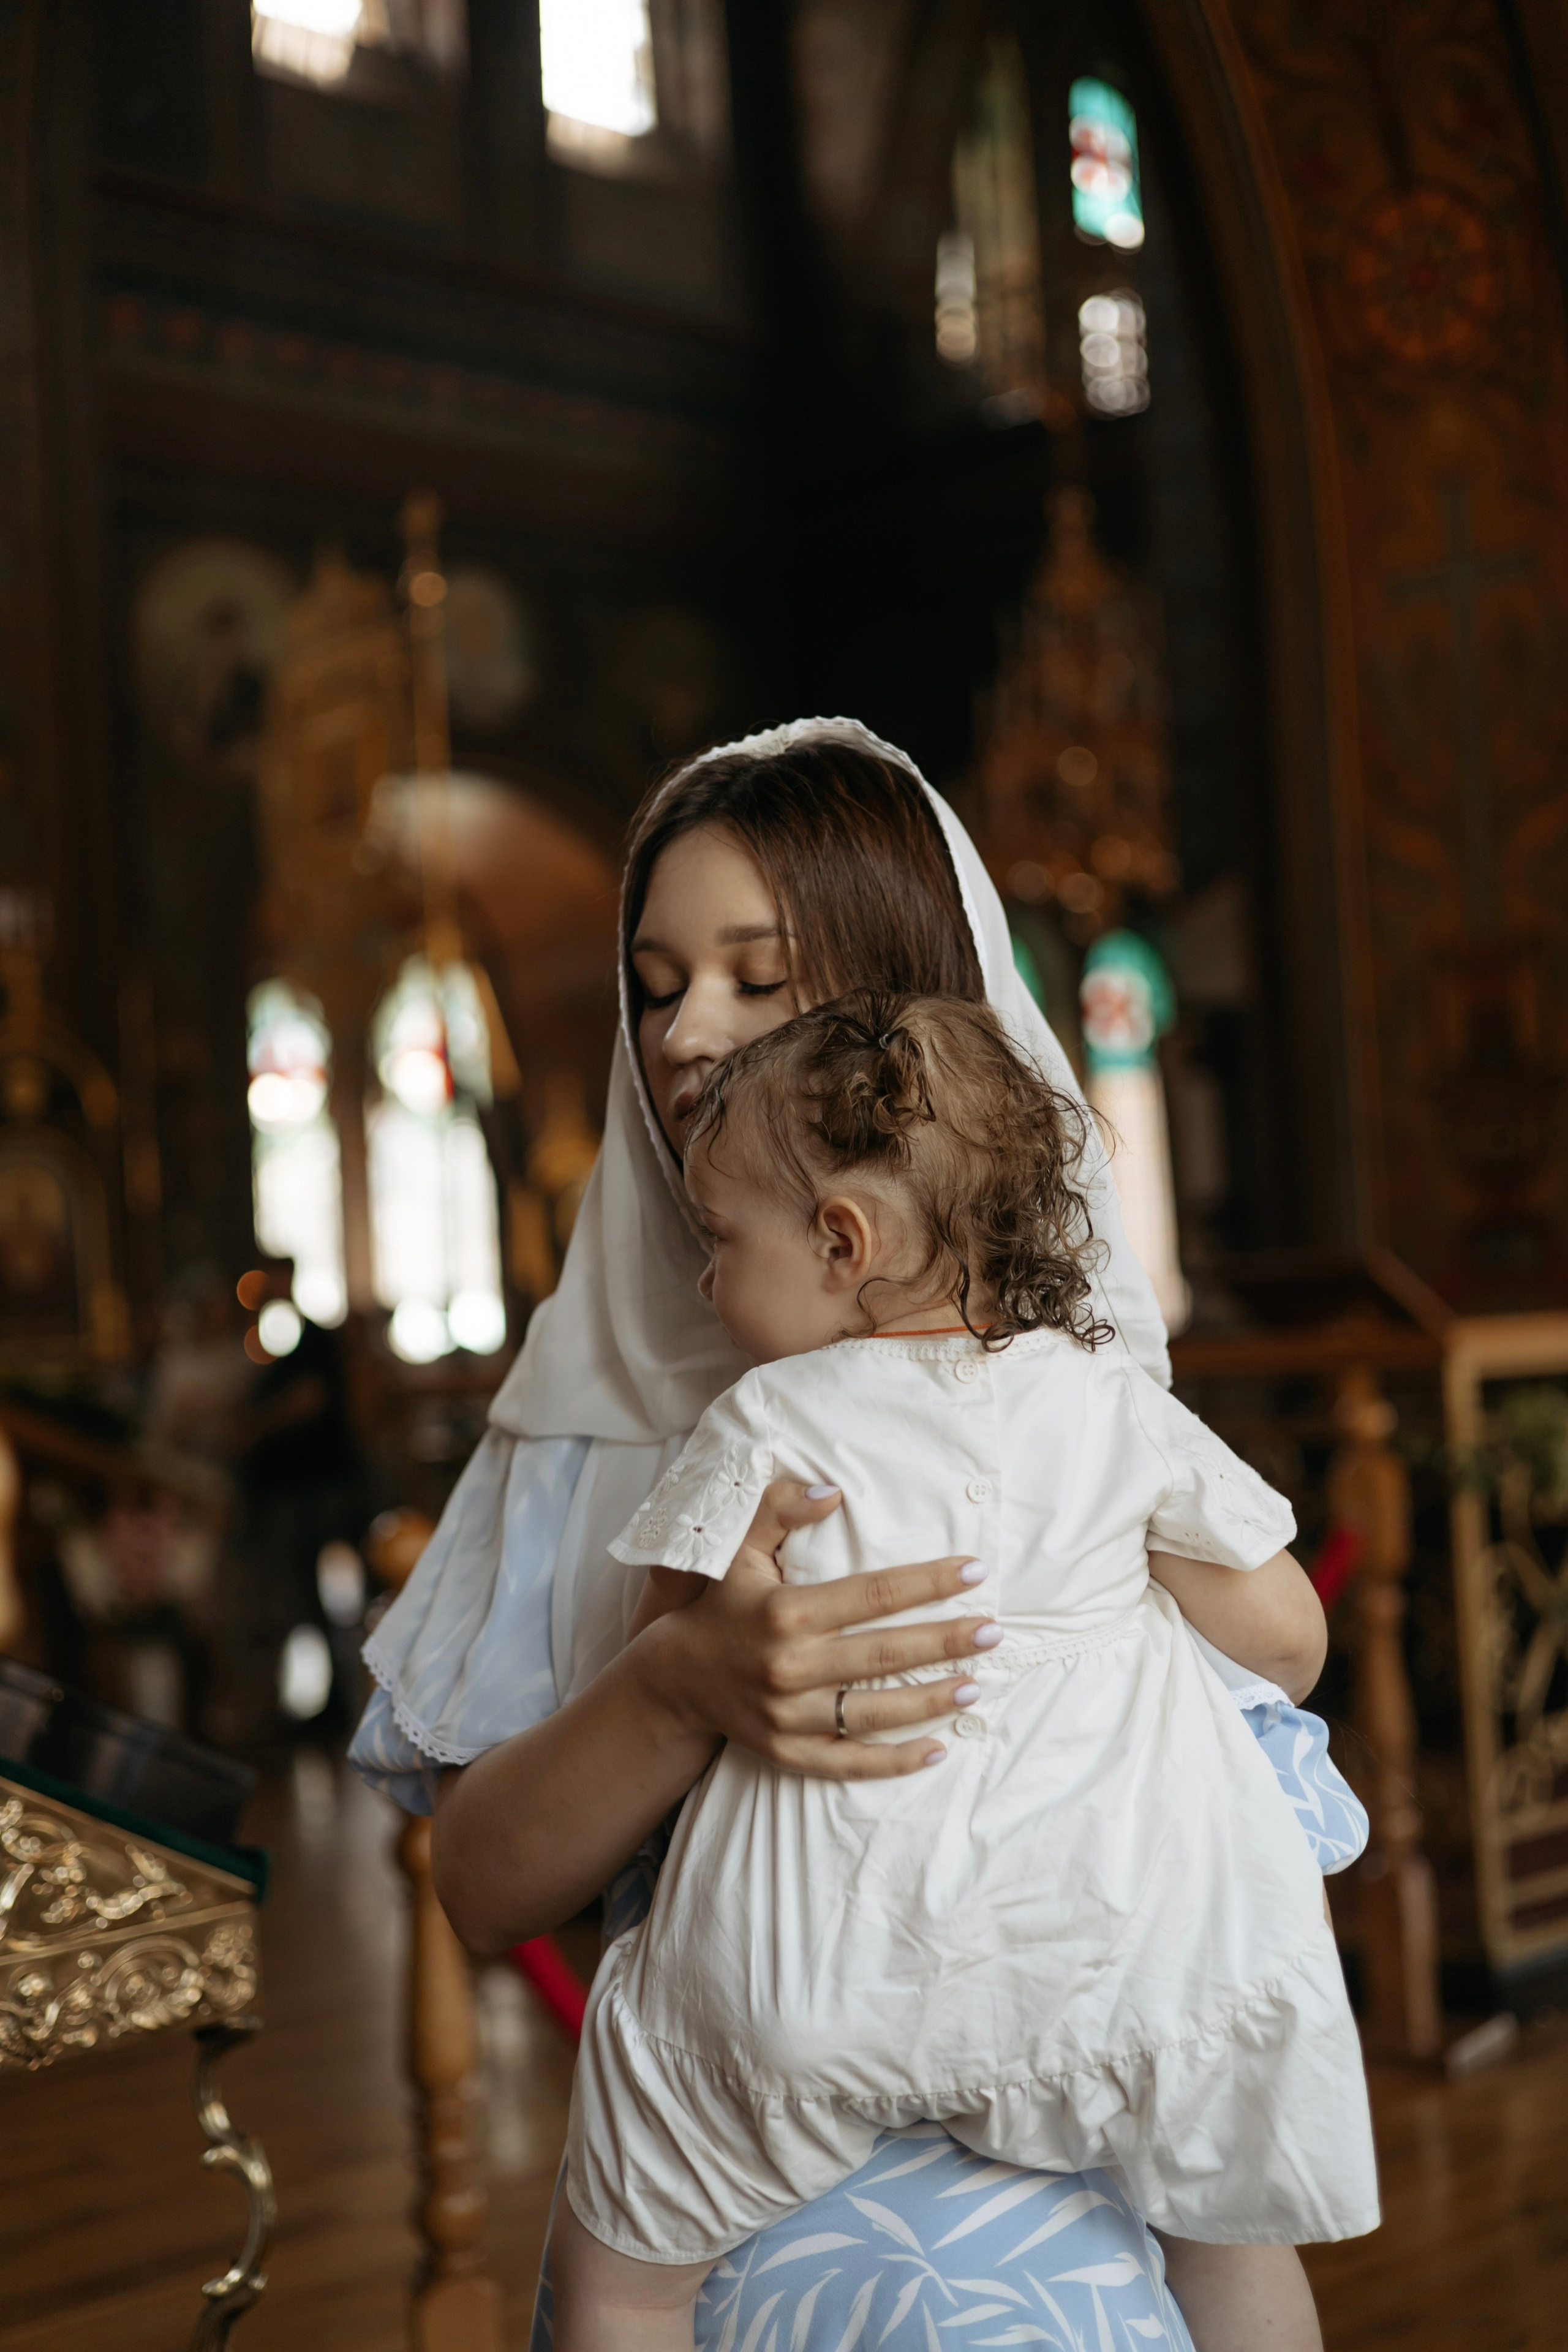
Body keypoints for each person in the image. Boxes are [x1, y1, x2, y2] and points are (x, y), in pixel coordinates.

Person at [351, 719, 1351, 2352]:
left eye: (759, 978)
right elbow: (480, 1886)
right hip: (722, 2217)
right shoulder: (589, 1408)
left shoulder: (1069, 1381)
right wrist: (682, 1688)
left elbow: (1265, 1691)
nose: (688, 1034)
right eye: (657, 982)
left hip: (1082, 2238)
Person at [549, 992, 1378, 2351]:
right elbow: (1288, 1639)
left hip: (808, 1974)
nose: (704, 1282)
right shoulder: (1106, 1398)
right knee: (1230, 2252)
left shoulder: (760, 1419)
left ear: (838, 1241)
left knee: (626, 2272)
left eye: (716, 1242)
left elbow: (672, 1654)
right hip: (1119, 1963)